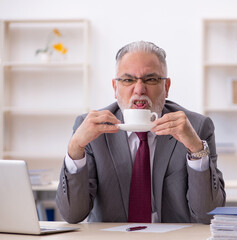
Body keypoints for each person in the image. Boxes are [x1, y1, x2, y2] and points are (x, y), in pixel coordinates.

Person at [56, 41, 225, 224]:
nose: (139, 90)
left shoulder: (197, 128)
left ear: (166, 87)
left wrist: (196, 150)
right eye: (128, 80)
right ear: (115, 87)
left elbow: (208, 215)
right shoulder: (91, 129)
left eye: (150, 79)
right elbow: (73, 215)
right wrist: (75, 149)